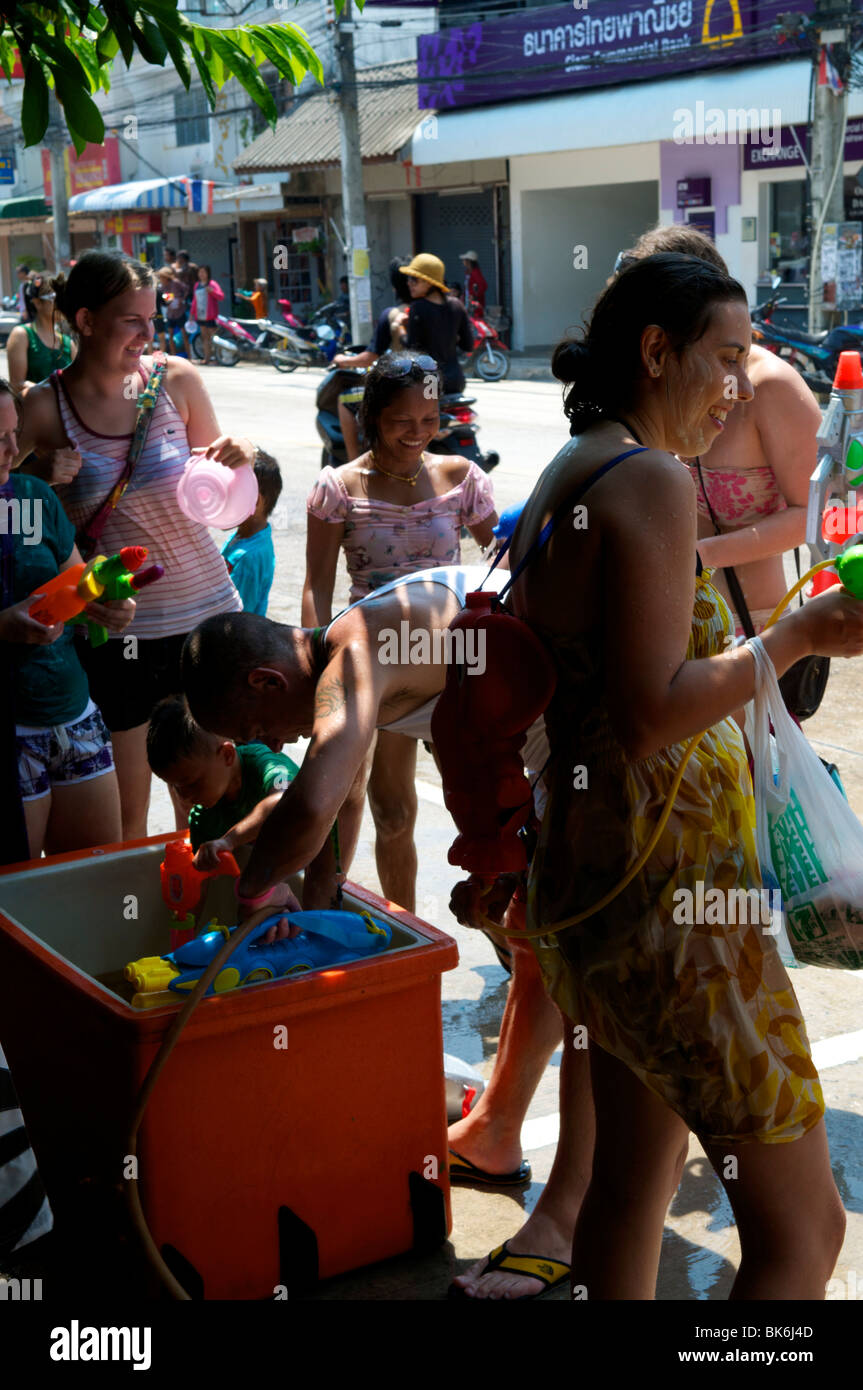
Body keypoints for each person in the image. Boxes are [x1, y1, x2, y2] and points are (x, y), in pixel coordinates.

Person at [470, 251, 861, 1303]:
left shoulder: (581, 462)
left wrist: (777, 634)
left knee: (626, 1193)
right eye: (724, 358)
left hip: (604, 897)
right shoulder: (642, 478)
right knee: (805, 1233)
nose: (740, 385)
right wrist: (799, 633)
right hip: (671, 916)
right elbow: (647, 714)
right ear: (655, 352)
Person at [15, 250, 249, 842]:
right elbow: (13, 514)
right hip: (120, 636)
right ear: (86, 320)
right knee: (126, 820)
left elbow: (221, 492)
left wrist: (239, 459)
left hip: (210, 622)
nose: (149, 333)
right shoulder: (44, 408)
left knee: (213, 803)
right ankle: (144, 929)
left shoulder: (178, 381)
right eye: (132, 320)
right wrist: (38, 472)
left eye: (153, 317)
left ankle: (215, 925)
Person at [180, 563, 546, 931]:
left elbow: (311, 806)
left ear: (268, 682)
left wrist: (254, 892)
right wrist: (501, 870)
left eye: (258, 729)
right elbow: (340, 801)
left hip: (584, 719)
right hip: (549, 734)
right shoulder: (348, 647)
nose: (274, 746)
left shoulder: (356, 656)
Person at [302, 353, 497, 912]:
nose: (417, 434)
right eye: (401, 422)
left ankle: (507, 930)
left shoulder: (461, 479)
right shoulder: (338, 488)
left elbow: (501, 562)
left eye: (430, 420)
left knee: (490, 808)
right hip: (379, 668)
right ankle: (407, 932)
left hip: (460, 663)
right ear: (373, 418)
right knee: (393, 813)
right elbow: (316, 585)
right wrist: (318, 667)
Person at [620, 224, 823, 636]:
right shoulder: (664, 383)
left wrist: (700, 555)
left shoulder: (769, 387)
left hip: (754, 627)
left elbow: (814, 514)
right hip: (676, 623)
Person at [0, 377, 132, 858]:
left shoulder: (35, 497)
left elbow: (77, 582)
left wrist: (109, 602)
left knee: (92, 878)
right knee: (15, 902)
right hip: (13, 730)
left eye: (15, 433)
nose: (13, 450)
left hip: (73, 715)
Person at [146, 694, 303, 917]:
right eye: (175, 787)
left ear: (227, 755)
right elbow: (198, 892)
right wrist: (185, 931)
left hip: (312, 856)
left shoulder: (264, 763)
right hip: (272, 874)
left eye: (192, 783)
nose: (185, 797)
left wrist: (229, 840)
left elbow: (284, 801)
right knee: (248, 908)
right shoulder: (204, 818)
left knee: (312, 902)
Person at [399, 254, 473, 395]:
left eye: (414, 279)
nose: (409, 283)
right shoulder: (457, 305)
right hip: (455, 381)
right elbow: (468, 345)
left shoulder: (418, 307)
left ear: (428, 282)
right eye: (408, 279)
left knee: (424, 416)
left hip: (430, 382)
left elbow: (411, 349)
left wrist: (399, 329)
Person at [222, 448, 282, 616]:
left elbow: (236, 616)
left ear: (254, 500)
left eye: (230, 492)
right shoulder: (247, 534)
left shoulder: (248, 557)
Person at [6, 277, 75, 396]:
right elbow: (17, 384)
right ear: (37, 302)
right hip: (33, 412)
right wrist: (57, 390)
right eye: (54, 298)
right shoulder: (22, 335)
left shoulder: (69, 343)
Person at [192, 265, 224, 366]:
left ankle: (217, 358)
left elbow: (221, 296)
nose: (201, 274)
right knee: (205, 338)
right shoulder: (197, 285)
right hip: (200, 315)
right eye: (200, 272)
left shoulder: (212, 284)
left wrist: (212, 291)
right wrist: (192, 314)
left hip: (211, 316)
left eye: (203, 272)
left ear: (208, 273)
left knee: (214, 338)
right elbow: (194, 300)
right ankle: (207, 358)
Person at [174, 250, 199, 357]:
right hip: (193, 298)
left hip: (188, 299)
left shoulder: (185, 268)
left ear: (183, 259)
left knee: (190, 323)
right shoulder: (193, 267)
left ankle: (191, 349)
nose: (178, 260)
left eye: (179, 258)